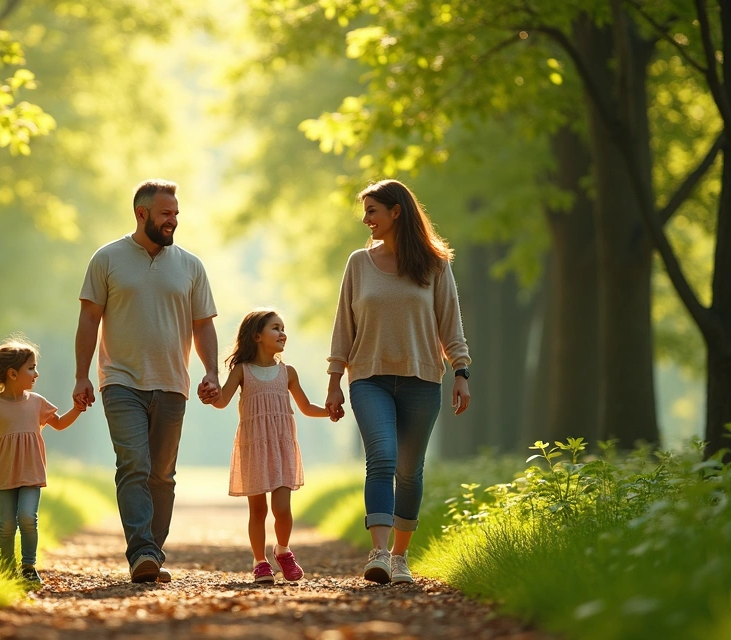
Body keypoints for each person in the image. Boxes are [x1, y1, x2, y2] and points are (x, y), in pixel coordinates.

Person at [324, 179, 472, 585]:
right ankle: (379, 553)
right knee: (383, 458)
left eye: (372, 210)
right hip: (368, 377)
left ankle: (401, 557)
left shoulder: (435, 264)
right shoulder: (358, 263)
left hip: (423, 379)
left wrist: (461, 371)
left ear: (396, 212)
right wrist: (335, 379)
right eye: (365, 211)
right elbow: (344, 326)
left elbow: (450, 323)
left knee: (409, 471)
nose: (365, 219)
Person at [73, 179, 220, 583]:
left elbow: (203, 324)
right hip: (120, 380)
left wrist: (211, 372)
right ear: (142, 214)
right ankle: (141, 552)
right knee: (134, 463)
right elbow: (89, 319)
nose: (173, 220)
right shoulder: (107, 258)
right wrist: (81, 375)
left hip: (173, 381)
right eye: (165, 214)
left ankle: (153, 550)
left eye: (175, 213)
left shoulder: (190, 265)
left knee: (162, 474)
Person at [212, 308, 329, 584]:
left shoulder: (287, 373)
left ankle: (283, 550)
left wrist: (329, 411)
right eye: (276, 328)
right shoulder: (242, 371)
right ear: (256, 336)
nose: (282, 333)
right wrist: (209, 394)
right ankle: (260, 561)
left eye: (283, 328)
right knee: (258, 511)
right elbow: (221, 401)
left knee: (282, 509)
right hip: (254, 446)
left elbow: (306, 407)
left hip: (281, 446)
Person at [0, 337, 85, 586]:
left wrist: (77, 409)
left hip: (31, 472)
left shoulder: (37, 402)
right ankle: (5, 566)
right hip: (2, 474)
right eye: (31, 368)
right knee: (7, 524)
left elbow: (59, 424)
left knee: (26, 517)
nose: (36, 373)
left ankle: (28, 566)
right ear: (13, 373)